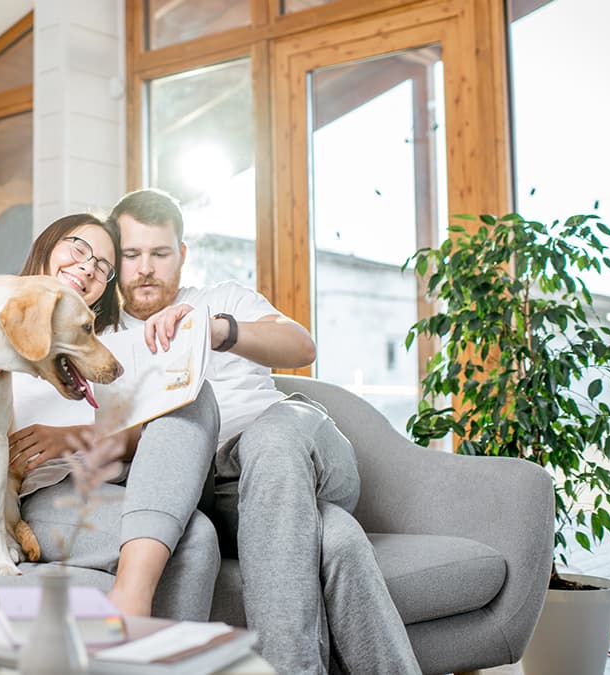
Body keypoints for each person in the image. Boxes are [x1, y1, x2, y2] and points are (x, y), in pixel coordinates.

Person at [107, 188, 419, 674]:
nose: (146, 267)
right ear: (115, 261)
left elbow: (300, 346)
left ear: (182, 255)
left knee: (269, 441)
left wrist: (219, 330)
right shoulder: (105, 339)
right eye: (132, 254)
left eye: (160, 253)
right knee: (337, 541)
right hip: (221, 494)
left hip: (295, 445)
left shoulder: (219, 300)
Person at [0, 212, 222, 621]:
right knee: (196, 539)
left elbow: (156, 431)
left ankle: (139, 624)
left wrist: (73, 436)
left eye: (104, 267)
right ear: (46, 247)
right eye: (79, 249)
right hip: (41, 495)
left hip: (130, 481)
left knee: (197, 404)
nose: (88, 267)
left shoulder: (100, 346)